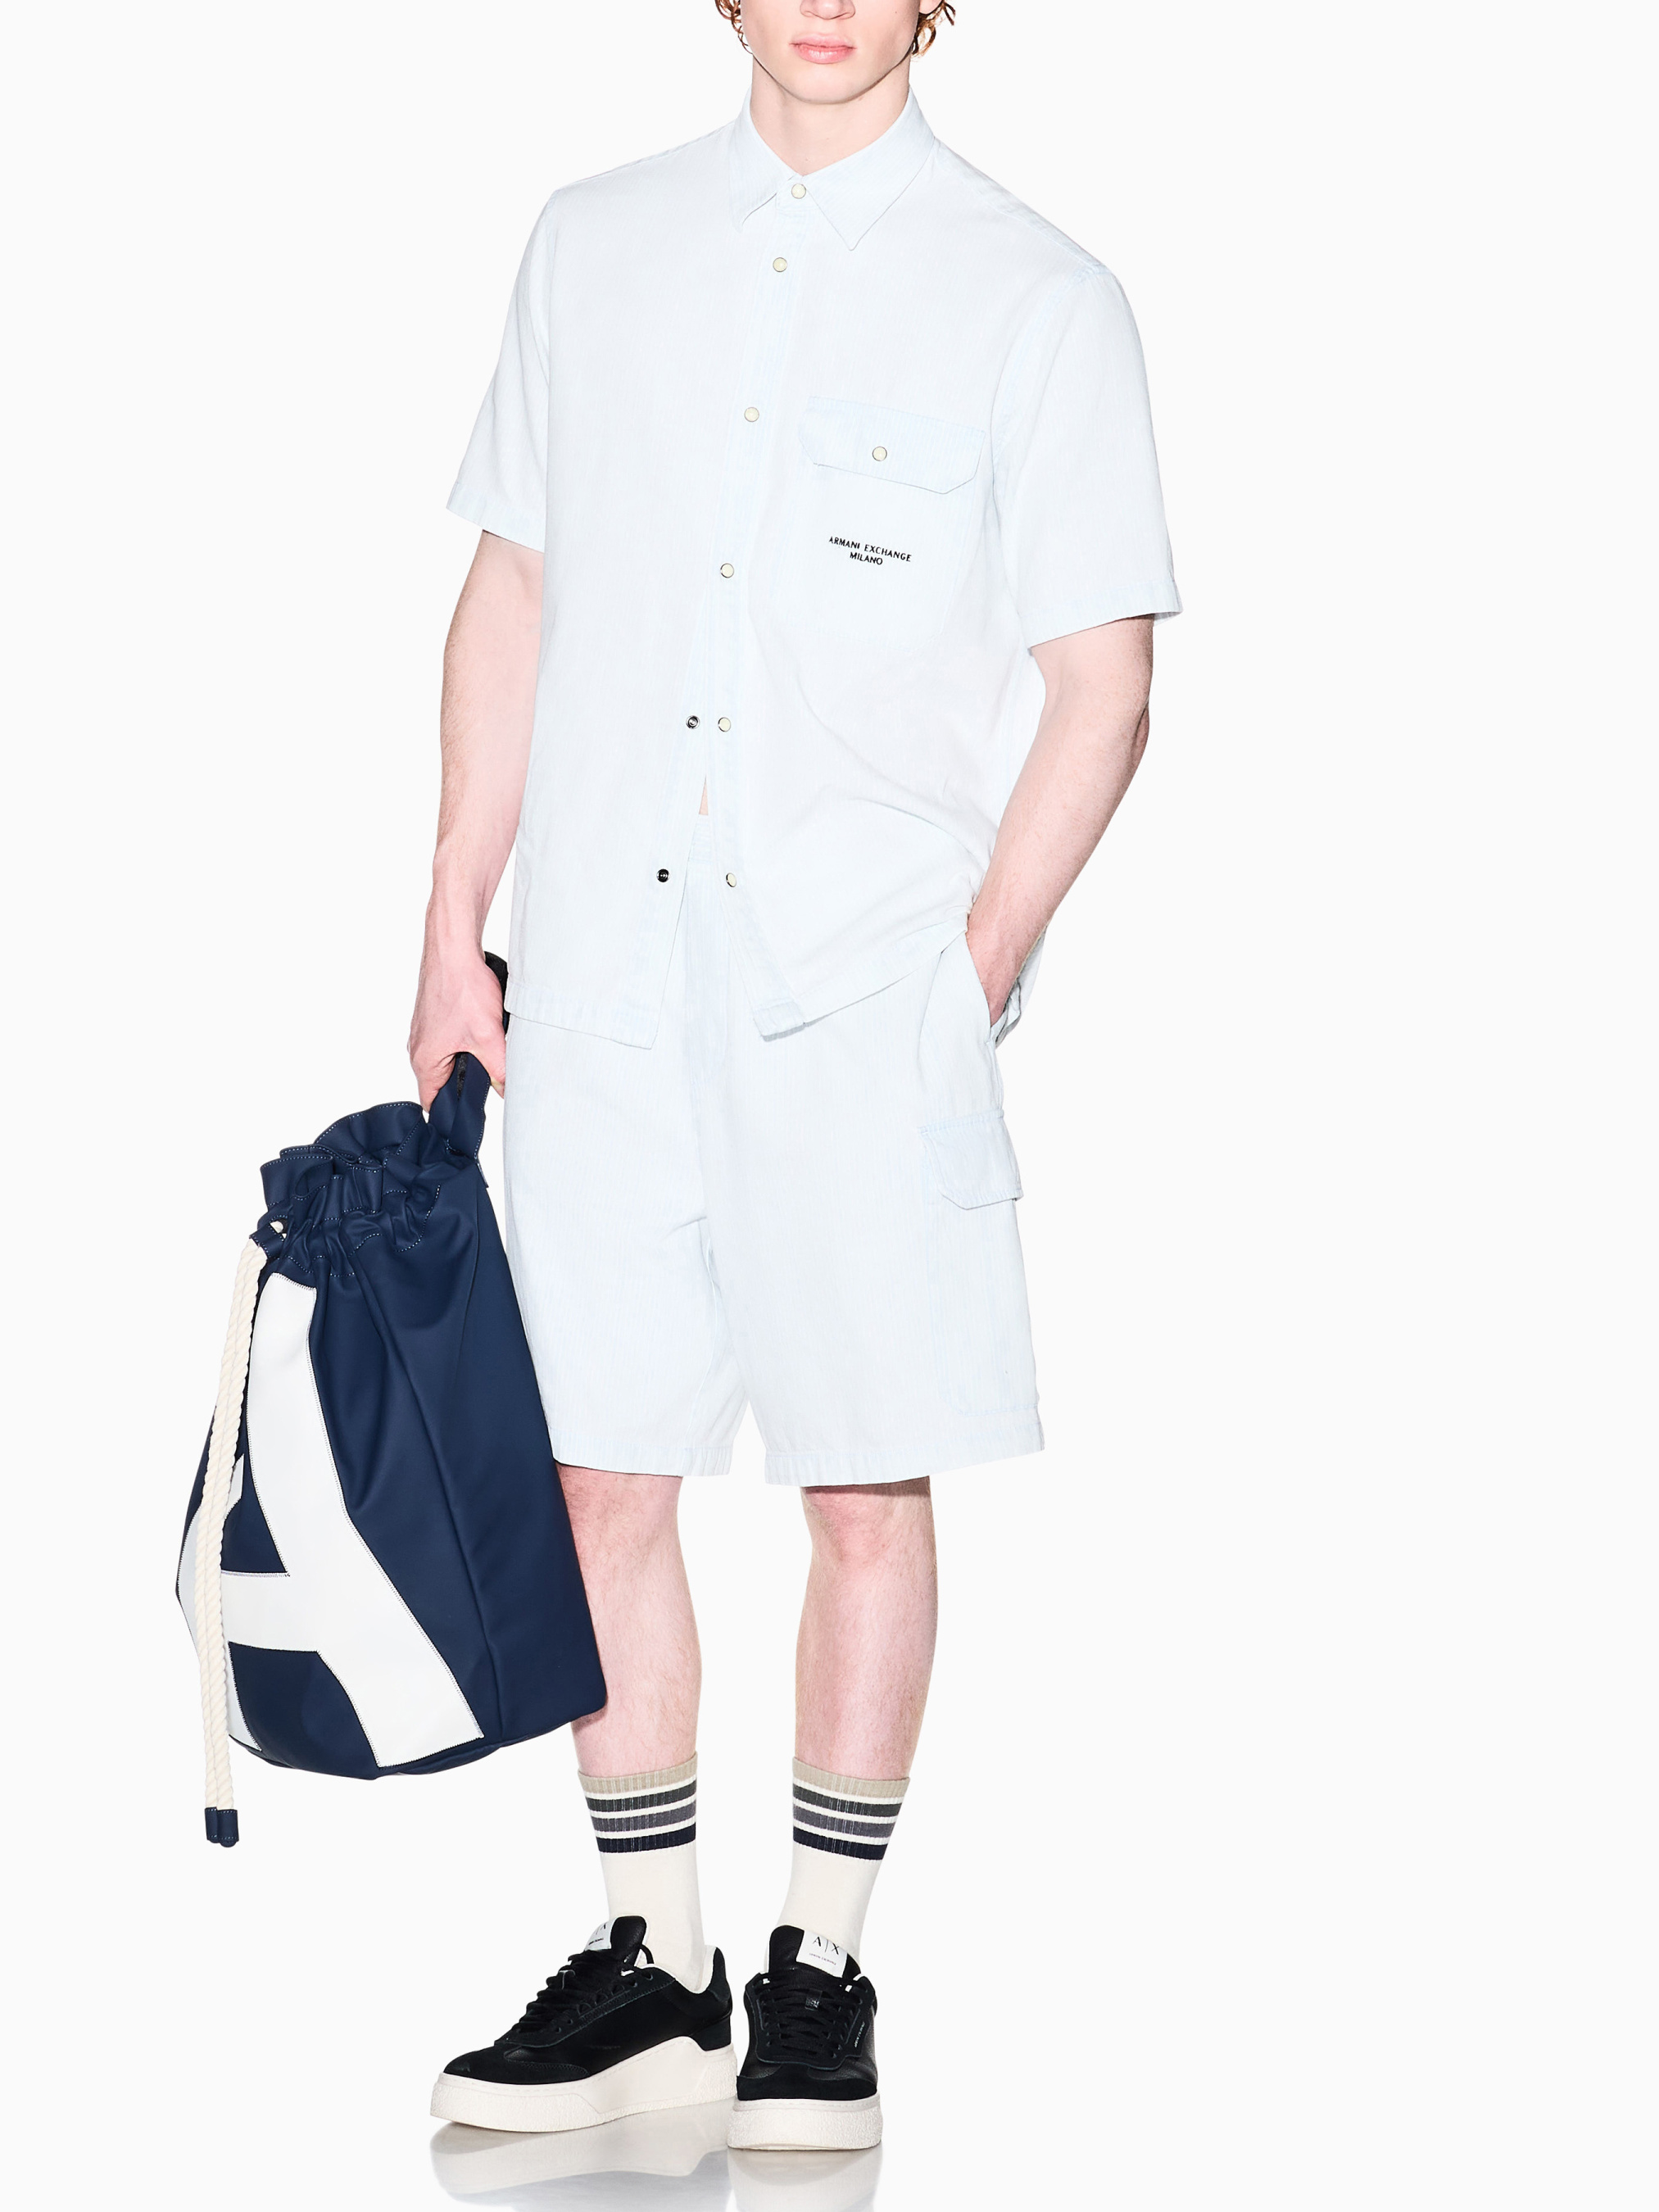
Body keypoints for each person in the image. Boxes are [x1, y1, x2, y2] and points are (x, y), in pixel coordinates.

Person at [411, 0, 1177, 2153]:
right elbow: (514, 582)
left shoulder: (1038, 294)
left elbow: (1105, 680)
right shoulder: (592, 245)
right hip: (597, 982)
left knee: (862, 1477)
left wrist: (970, 970)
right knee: (594, 1471)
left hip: (859, 997)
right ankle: (653, 1964)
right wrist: (454, 912)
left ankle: (820, 1970)